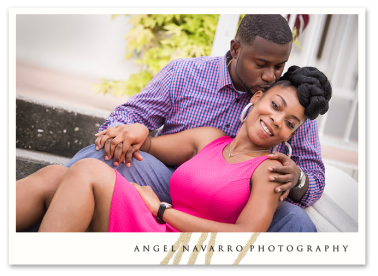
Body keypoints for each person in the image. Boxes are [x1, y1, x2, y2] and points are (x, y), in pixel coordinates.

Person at [17, 14, 323, 232]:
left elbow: (314, 179)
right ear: (235, 49)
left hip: (234, 198)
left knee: (297, 222)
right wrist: (135, 129)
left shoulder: (290, 102)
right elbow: (123, 123)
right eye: (261, 65)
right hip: (168, 177)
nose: (271, 76)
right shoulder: (186, 76)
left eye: (278, 67)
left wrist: (296, 178)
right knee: (87, 165)